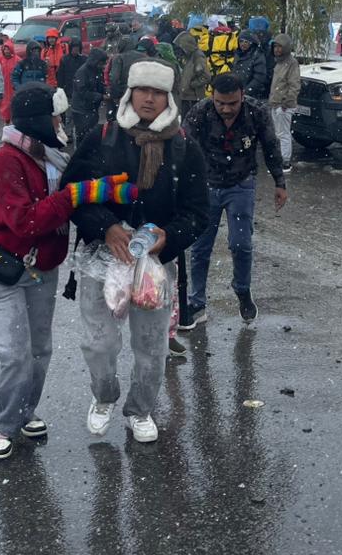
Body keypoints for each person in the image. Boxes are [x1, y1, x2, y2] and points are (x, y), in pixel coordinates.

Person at [0, 83, 139, 459]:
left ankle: (23, 411)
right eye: (55, 118)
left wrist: (110, 196)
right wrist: (81, 193)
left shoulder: (49, 156)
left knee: (38, 351)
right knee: (13, 352)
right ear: (38, 121)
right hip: (3, 271)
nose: (60, 124)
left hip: (40, 270)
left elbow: (73, 196)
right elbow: (26, 221)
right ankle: (3, 424)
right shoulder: (8, 160)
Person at [62, 60, 209, 443]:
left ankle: (140, 410)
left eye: (158, 92)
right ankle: (104, 396)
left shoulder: (184, 147)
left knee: (151, 347)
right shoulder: (102, 137)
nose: (149, 98)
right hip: (102, 259)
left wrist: (168, 237)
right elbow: (71, 193)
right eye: (143, 89)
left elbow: (198, 212)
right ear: (129, 93)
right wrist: (106, 226)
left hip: (155, 265)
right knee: (99, 343)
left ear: (169, 98)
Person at [183, 72, 288, 328]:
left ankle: (242, 289)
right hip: (206, 186)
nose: (226, 109)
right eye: (220, 103)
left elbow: (271, 146)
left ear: (242, 95)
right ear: (212, 97)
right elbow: (183, 148)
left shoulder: (256, 112)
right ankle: (197, 302)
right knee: (200, 248)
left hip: (241, 184)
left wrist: (279, 182)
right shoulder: (200, 112)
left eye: (232, 103)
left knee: (241, 244)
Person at [267, 33, 301, 172]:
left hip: (284, 105)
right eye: (275, 46)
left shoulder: (291, 63)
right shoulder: (279, 63)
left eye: (280, 47)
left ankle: (285, 161)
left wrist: (286, 103)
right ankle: (279, 159)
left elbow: (294, 85)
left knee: (283, 134)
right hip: (275, 103)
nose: (277, 49)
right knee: (277, 133)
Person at [107, 36, 159, 108]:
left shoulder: (119, 58)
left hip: (123, 92)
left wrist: (115, 95)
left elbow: (114, 78)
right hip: (140, 91)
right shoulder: (145, 57)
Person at [70, 48, 108, 140]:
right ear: (95, 61)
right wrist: (101, 96)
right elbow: (83, 92)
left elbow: (99, 85)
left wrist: (106, 91)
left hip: (91, 109)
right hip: (81, 109)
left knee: (92, 134)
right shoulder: (82, 72)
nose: (103, 66)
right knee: (84, 137)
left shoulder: (96, 70)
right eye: (101, 63)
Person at [173, 30, 211, 116]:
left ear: (187, 45)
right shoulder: (187, 56)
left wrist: (192, 84)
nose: (180, 49)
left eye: (182, 46)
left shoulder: (198, 56)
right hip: (186, 96)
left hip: (193, 98)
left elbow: (206, 76)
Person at [234, 34, 269, 103]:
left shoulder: (257, 55)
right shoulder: (237, 54)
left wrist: (246, 91)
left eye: (246, 42)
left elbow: (259, 77)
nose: (243, 44)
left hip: (253, 95)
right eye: (241, 41)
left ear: (251, 43)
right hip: (238, 93)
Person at [0, 40, 20, 124]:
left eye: (8, 49)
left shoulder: (17, 60)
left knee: (14, 103)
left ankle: (14, 122)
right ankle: (6, 121)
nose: (6, 51)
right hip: (3, 86)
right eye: (5, 49)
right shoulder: (0, 59)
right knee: (4, 105)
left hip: (13, 86)